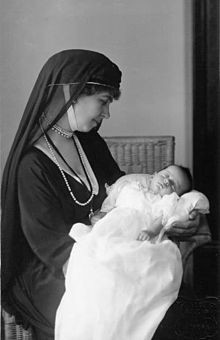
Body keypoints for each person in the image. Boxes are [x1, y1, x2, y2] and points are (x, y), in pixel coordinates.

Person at [1, 49, 200, 340]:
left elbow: (129, 196)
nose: (107, 113)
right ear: (72, 93)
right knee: (121, 311)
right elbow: (50, 246)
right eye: (103, 102)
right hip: (57, 268)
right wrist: (116, 267)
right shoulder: (32, 166)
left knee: (177, 305)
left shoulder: (90, 143)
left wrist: (174, 220)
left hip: (109, 251)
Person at [55, 168, 209, 340]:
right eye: (166, 175)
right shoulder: (132, 186)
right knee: (91, 250)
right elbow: (111, 202)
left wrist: (152, 230)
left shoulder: (164, 201)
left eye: (173, 184)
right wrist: (102, 213)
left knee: (132, 261)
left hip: (138, 233)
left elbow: (162, 218)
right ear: (155, 174)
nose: (167, 181)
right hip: (113, 228)